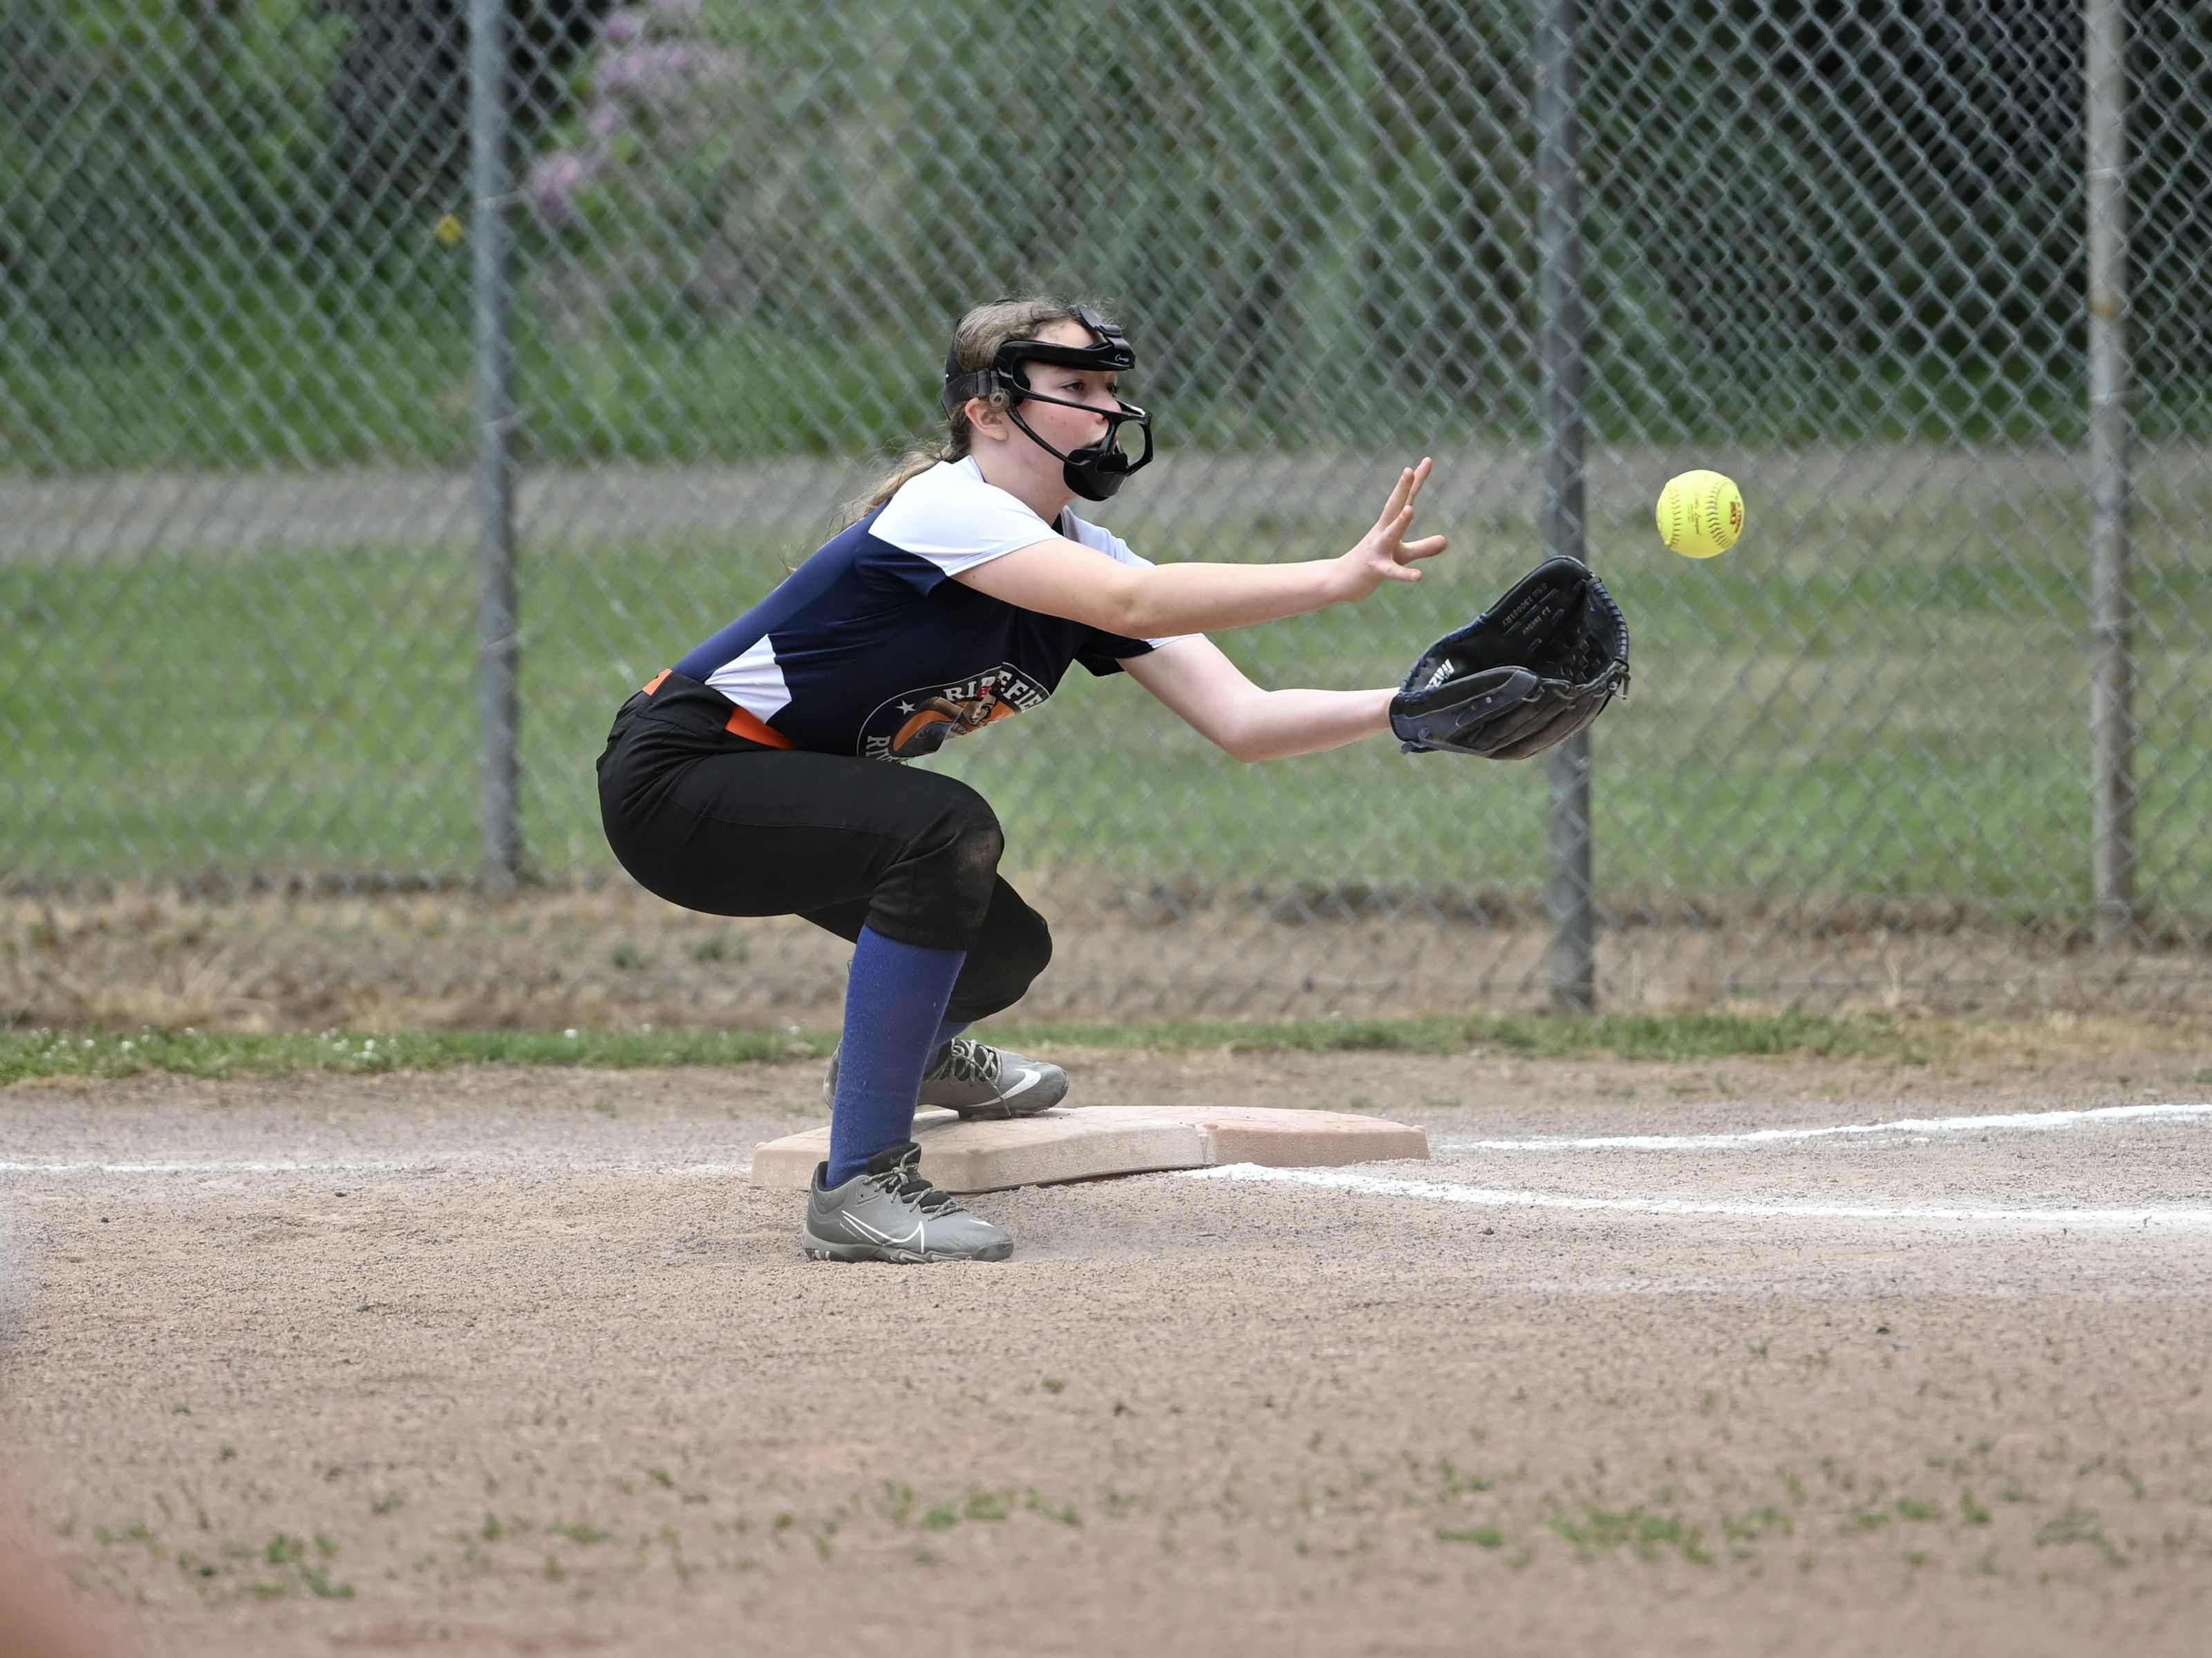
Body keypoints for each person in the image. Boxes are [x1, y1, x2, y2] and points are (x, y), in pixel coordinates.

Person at [597, 295, 1444, 1263]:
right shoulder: (950, 508)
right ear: (988, 413)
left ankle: (901, 1059)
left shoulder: (1078, 557)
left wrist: (1414, 704)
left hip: (772, 784)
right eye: (1076, 387)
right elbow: (1132, 600)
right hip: (684, 775)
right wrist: (1334, 577)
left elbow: (1244, 722)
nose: (1106, 412)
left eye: (1111, 389)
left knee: (1003, 951)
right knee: (943, 829)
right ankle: (861, 1181)